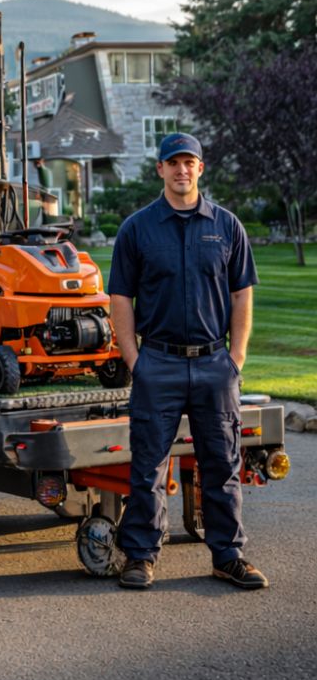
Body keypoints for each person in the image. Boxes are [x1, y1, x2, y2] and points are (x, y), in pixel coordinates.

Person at [109, 132, 267, 591]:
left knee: (221, 464)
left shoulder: (226, 226)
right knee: (147, 468)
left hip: (215, 364)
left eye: (189, 162)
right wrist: (134, 359)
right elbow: (120, 296)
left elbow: (242, 295)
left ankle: (228, 556)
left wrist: (235, 357)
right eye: (172, 162)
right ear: (159, 169)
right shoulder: (137, 229)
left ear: (201, 169)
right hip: (157, 363)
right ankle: (140, 556)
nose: (181, 170)